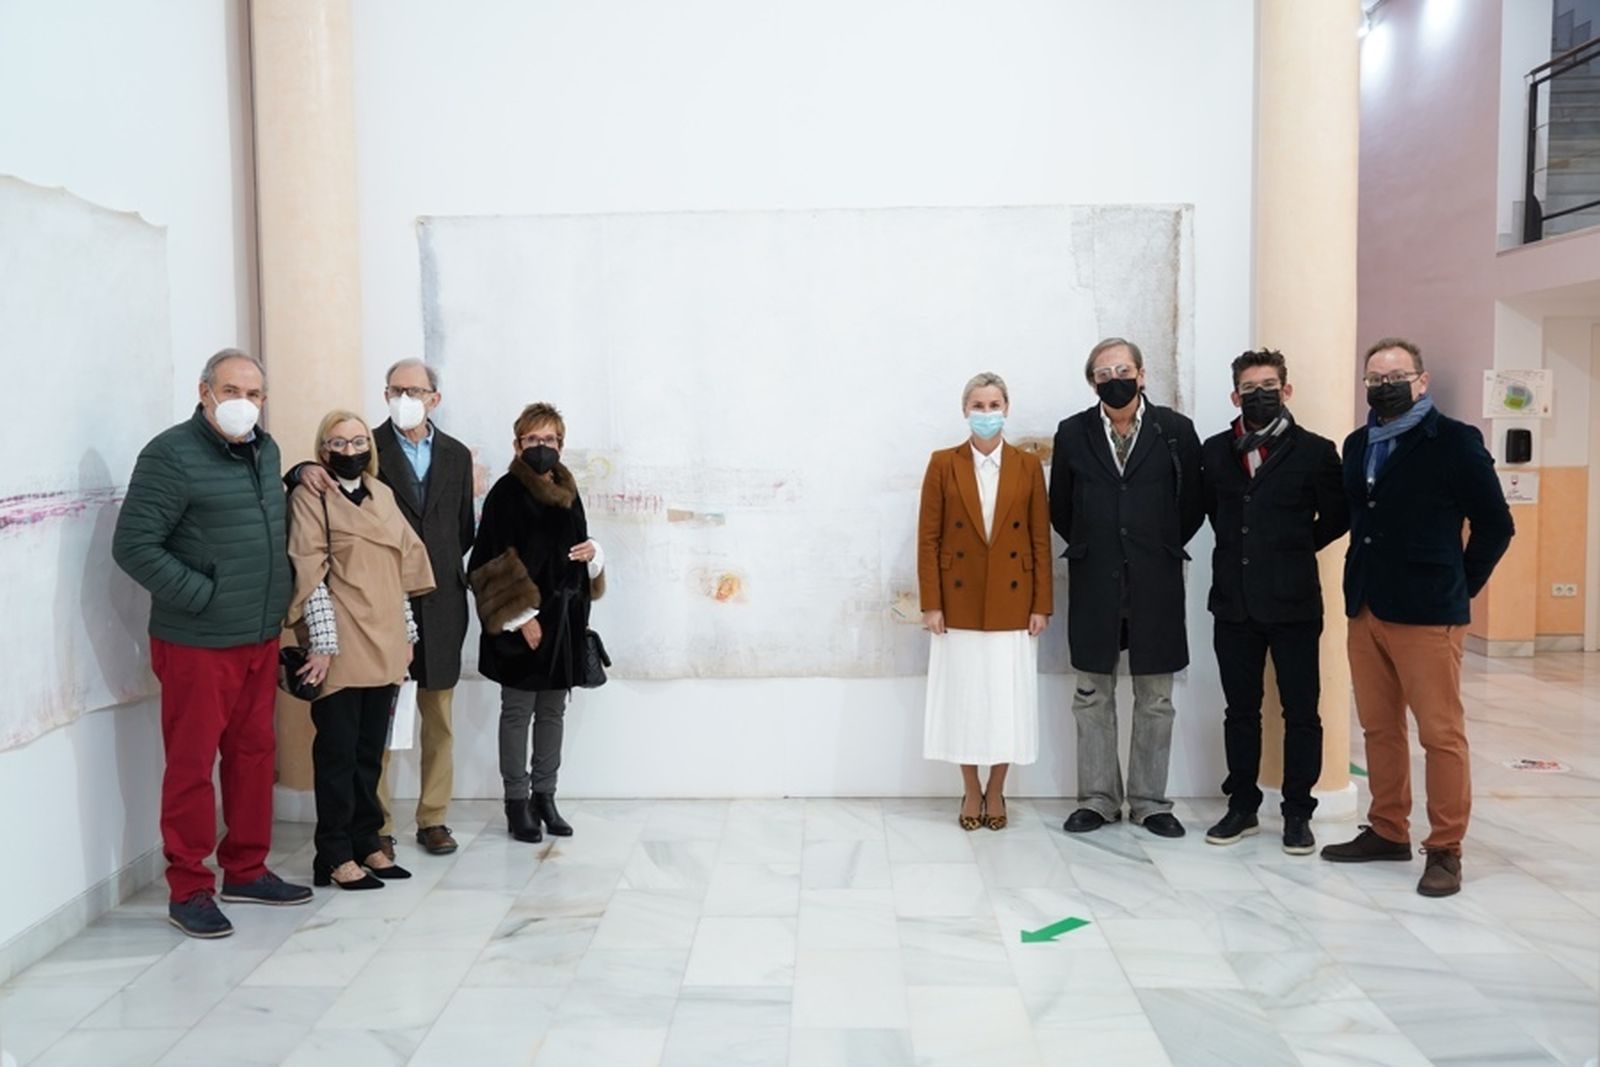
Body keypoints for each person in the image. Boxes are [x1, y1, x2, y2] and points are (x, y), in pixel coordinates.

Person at [112, 349, 312, 938]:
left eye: (253, 394)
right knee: (193, 766)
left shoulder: (265, 451)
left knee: (255, 755)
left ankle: (246, 869)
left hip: (257, 636)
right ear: (204, 393)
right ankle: (189, 887)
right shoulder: (170, 454)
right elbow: (134, 545)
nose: (242, 403)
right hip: (197, 641)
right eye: (230, 390)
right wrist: (202, 595)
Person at [1321, 338, 1513, 897]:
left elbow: (1496, 525)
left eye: (1396, 375)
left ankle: (1446, 847)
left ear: (1422, 381)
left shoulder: (1454, 442)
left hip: (1428, 612)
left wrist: (1458, 586)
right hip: (1366, 606)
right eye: (1375, 378)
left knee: (1440, 734)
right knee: (1379, 728)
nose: (1385, 385)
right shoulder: (1357, 444)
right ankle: (1387, 829)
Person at [297, 359, 476, 858]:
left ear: (434, 398)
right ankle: (374, 825)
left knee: (437, 718)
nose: (405, 397)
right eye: (396, 389)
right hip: (370, 611)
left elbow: (463, 530)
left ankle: (434, 817)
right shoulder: (362, 448)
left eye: (415, 390)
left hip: (439, 604)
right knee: (376, 722)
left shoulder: (457, 455)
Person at [1049, 337, 1203, 838]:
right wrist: (1102, 545)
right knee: (1092, 694)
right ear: (1092, 382)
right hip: (1095, 580)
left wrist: (1152, 545)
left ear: (1142, 374)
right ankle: (1097, 798)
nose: (1113, 378)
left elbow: (1192, 504)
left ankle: (1149, 801)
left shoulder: (1176, 431)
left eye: (1123, 368)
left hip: (1155, 580)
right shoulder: (1072, 433)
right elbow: (1062, 508)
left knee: (1155, 697)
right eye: (1102, 372)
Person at [1200, 349, 1348, 855]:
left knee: (1301, 711)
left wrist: (1290, 546)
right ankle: (1241, 806)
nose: (1258, 394)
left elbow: (1336, 517)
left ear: (1285, 391)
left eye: (1268, 385)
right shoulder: (1216, 450)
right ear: (1235, 396)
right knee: (1240, 710)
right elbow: (1213, 515)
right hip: (1233, 605)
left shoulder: (1316, 451)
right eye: (1249, 387)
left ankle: (1296, 813)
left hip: (1294, 605)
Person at [287, 411, 435, 890]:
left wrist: (407, 636)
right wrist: (323, 645)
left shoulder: (383, 494)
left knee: (371, 752)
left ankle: (367, 841)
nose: (349, 451)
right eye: (338, 443)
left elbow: (402, 571)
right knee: (337, 753)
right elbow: (310, 573)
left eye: (357, 442)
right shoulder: (312, 497)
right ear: (322, 447)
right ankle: (332, 854)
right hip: (342, 640)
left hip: (387, 636)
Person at [467, 403, 606, 843]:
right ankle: (516, 803)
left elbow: (577, 546)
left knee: (552, 711)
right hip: (521, 625)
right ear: (517, 444)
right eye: (532, 440)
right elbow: (487, 559)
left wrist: (595, 555)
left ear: (561, 445)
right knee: (517, 711)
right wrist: (522, 617)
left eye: (549, 440)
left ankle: (545, 797)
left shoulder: (568, 488)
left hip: (564, 621)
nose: (541, 447)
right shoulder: (507, 492)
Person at [918, 373, 1052, 831]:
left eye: (994, 404)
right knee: (965, 701)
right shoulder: (942, 464)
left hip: (1012, 604)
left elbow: (1039, 541)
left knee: (1004, 702)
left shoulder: (1028, 467)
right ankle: (970, 790)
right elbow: (928, 539)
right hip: (958, 605)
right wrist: (931, 604)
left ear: (1007, 409)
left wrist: (1041, 605)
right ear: (965, 411)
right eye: (978, 404)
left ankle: (996, 790)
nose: (987, 413)